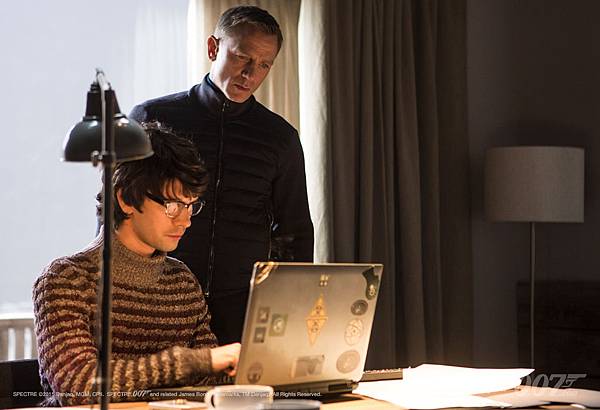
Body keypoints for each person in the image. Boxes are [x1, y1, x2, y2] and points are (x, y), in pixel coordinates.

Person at [130, 6, 314, 344]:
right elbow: (118, 212)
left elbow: (294, 231)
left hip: (244, 308)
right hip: (160, 300)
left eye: (264, 65)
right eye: (241, 57)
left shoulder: (280, 138)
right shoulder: (152, 117)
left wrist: (293, 308)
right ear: (213, 48)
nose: (250, 74)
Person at [33, 123, 240, 406]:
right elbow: (78, 385)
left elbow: (207, 380)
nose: (185, 220)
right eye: (172, 206)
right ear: (125, 199)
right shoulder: (66, 280)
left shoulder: (181, 281)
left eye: (191, 205)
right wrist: (189, 362)